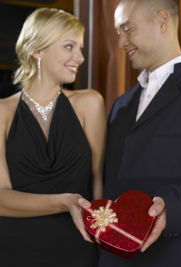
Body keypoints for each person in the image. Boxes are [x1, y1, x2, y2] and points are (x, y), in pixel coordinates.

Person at [0, 7, 106, 267]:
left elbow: (100, 182)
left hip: (78, 248)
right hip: (14, 250)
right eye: (69, 47)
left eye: (80, 48)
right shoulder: (2, 112)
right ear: (37, 49)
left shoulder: (90, 103)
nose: (80, 58)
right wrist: (64, 202)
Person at [99, 0, 181, 266]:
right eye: (118, 33)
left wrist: (173, 206)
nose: (121, 42)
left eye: (127, 29)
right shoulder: (120, 105)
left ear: (163, 21)